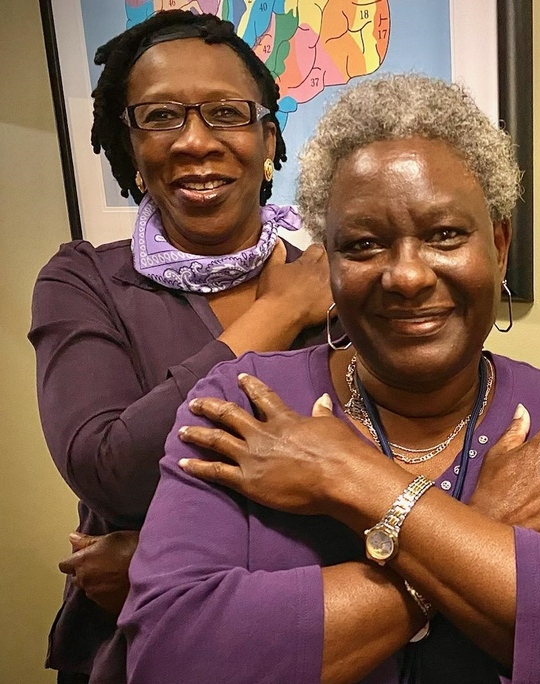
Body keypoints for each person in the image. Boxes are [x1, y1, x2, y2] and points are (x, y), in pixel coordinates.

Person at [117, 73, 540, 684]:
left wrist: (355, 479)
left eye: (444, 235)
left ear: (498, 243)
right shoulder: (244, 405)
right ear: (327, 263)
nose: (407, 276)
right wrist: (482, 531)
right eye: (363, 244)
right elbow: (172, 658)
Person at [29, 11, 335, 683]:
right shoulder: (84, 281)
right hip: (140, 653)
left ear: (268, 138)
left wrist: (153, 561)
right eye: (162, 116)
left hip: (328, 644)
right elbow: (111, 467)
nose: (196, 141)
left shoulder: (338, 284)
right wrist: (277, 315)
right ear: (129, 145)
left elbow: (379, 489)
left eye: (227, 112)